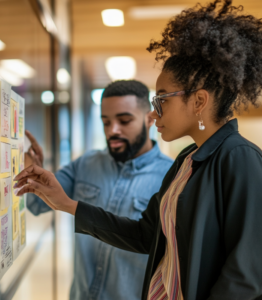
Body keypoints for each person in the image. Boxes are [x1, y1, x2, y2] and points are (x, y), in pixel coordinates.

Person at [14, 1, 262, 299]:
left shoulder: (238, 157)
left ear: (198, 101)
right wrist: (68, 204)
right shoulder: (187, 160)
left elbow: (246, 275)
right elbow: (146, 235)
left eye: (162, 100)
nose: (154, 114)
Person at [24, 80, 173, 300]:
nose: (113, 130)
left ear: (149, 119)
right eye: (106, 122)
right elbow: (37, 205)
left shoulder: (170, 178)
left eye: (124, 121)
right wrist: (33, 171)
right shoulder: (86, 164)